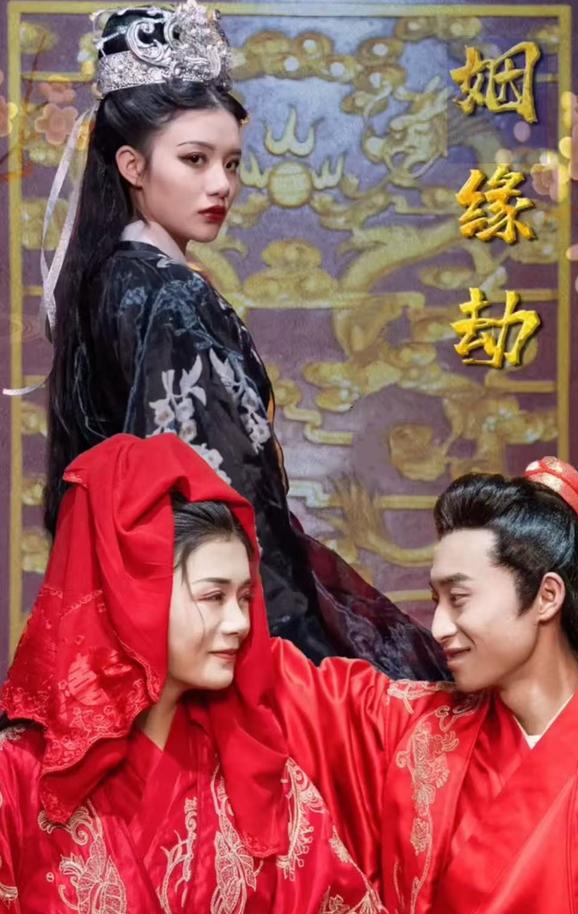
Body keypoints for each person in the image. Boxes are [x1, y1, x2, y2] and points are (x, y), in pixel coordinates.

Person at [40, 0, 445, 678]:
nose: (220, 185)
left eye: (230, 163)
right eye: (194, 160)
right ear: (133, 166)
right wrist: (301, 645)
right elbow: (221, 489)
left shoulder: (112, 277)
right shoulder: (164, 293)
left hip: (160, 609)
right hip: (214, 609)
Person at [0, 433, 385, 913]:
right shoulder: (16, 775)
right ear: (133, 599)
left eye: (245, 598)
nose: (240, 623)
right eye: (213, 597)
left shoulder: (255, 773)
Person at [270, 457, 578, 913]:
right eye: (436, 600)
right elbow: (279, 685)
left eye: (459, 599)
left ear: (547, 597)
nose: (439, 627)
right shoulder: (410, 728)